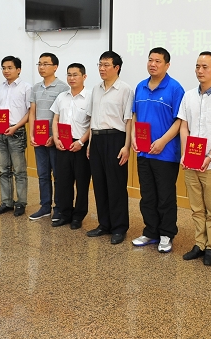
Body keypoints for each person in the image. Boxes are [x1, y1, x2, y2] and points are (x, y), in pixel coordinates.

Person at [178, 51, 211, 266]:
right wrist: (184, 153)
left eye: (205, 67)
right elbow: (184, 126)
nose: (200, 71)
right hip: (191, 161)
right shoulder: (188, 96)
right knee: (196, 207)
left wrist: (209, 156)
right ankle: (199, 243)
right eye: (197, 66)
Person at [130, 47, 185, 253]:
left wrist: (162, 141)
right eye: (150, 60)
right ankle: (150, 231)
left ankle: (166, 234)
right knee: (147, 195)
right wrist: (134, 137)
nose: (153, 64)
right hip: (144, 151)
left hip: (166, 153)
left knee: (165, 196)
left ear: (167, 65)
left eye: (158, 61)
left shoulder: (175, 88)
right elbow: (135, 115)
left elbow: (180, 121)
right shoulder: (140, 86)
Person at [86, 51, 133, 245]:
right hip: (97, 139)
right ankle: (104, 224)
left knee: (116, 185)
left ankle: (119, 227)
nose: (102, 68)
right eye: (100, 64)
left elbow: (129, 121)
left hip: (116, 139)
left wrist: (127, 146)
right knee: (99, 184)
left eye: (106, 65)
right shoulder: (96, 89)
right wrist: (90, 143)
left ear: (116, 67)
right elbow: (92, 119)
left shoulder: (125, 89)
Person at [0, 56, 32, 217]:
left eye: (10, 67)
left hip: (16, 132)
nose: (6, 71)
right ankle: (6, 202)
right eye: (4, 68)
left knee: (19, 171)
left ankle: (21, 203)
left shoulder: (26, 88)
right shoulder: (0, 88)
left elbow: (29, 113)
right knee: (3, 170)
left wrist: (15, 127)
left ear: (18, 70)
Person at [28, 53, 70, 221]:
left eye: (45, 64)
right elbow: (32, 112)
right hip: (39, 139)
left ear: (55, 67)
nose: (41, 67)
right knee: (43, 174)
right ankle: (45, 206)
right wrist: (31, 133)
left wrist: (55, 137)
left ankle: (58, 208)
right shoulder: (36, 88)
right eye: (39, 64)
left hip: (55, 140)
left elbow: (63, 115)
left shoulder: (63, 88)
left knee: (58, 176)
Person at [50, 63, 91, 230]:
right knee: (63, 181)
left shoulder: (90, 97)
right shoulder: (62, 97)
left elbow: (93, 123)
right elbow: (55, 119)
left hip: (81, 144)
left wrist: (81, 142)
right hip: (63, 144)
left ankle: (78, 216)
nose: (71, 78)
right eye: (69, 75)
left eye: (75, 75)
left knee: (82, 183)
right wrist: (56, 138)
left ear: (84, 77)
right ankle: (65, 214)